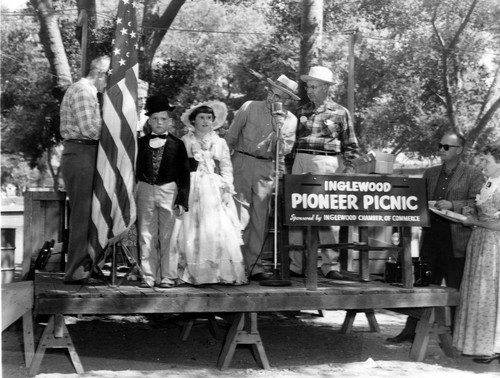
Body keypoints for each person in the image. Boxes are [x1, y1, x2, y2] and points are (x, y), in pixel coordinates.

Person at [386, 131, 484, 343]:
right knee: (422, 285)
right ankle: (409, 331)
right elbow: (418, 199)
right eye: (440, 145)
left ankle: (457, 337)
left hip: (456, 240)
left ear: (460, 150)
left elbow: (477, 204)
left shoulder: (474, 174)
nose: (441, 150)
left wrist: (453, 205)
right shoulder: (430, 173)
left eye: (446, 147)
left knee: (455, 290)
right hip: (431, 236)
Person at [225, 75, 299, 281]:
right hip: (241, 161)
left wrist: (279, 128)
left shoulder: (290, 120)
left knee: (259, 217)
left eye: (280, 97)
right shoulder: (249, 107)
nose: (273, 98)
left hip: (266, 166)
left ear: (287, 100)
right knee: (238, 215)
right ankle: (234, 262)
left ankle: (254, 264)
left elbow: (283, 150)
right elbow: (230, 138)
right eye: (272, 92)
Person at [288, 66, 360, 280]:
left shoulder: (340, 112)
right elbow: (289, 145)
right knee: (297, 213)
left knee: (328, 215)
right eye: (307, 87)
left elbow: (351, 145)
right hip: (299, 160)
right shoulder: (300, 112)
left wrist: (348, 170)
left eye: (313, 86)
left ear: (327, 88)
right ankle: (296, 264)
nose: (309, 91)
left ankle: (330, 265)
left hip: (326, 163)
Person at [172, 102, 247, 286]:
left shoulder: (219, 142)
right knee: (192, 228)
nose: (205, 121)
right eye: (201, 117)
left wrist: (227, 186)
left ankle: (217, 272)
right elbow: (179, 167)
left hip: (213, 187)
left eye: (209, 118)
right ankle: (193, 271)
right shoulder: (185, 141)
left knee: (215, 227)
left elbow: (226, 166)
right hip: (191, 185)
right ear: (193, 121)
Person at [60, 55, 111, 284]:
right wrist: (113, 129)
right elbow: (89, 129)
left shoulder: (89, 91)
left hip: (87, 153)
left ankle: (86, 265)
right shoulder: (83, 91)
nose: (107, 84)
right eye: (108, 78)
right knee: (81, 213)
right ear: (101, 74)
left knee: (90, 212)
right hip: (81, 152)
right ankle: (75, 271)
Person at [136, 94, 190, 288]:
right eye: (155, 119)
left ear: (170, 121)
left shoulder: (178, 144)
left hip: (169, 190)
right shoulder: (140, 144)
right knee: (146, 234)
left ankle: (168, 276)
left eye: (163, 119)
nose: (159, 123)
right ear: (149, 121)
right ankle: (148, 275)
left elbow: (185, 174)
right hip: (144, 188)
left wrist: (182, 199)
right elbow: (134, 169)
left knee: (169, 235)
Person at [453, 143, 500, 364]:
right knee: (481, 293)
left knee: (491, 292)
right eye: (481, 160)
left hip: (494, 245)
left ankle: (494, 346)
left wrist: (473, 221)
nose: (482, 164)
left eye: (487, 161)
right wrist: (472, 212)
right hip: (481, 242)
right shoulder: (488, 183)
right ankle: (484, 345)